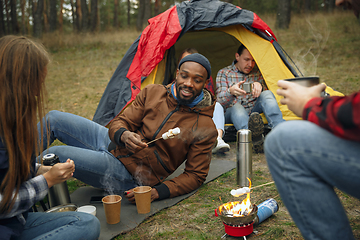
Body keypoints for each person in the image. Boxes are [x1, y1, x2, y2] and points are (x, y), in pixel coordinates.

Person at [38, 53, 217, 202]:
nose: (188, 84)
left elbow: (195, 175)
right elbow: (120, 122)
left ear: (205, 83)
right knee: (53, 118)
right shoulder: (153, 92)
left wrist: (158, 192)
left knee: (56, 154)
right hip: (112, 142)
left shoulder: (205, 127)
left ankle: (22, 183)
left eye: (197, 80)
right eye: (184, 76)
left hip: (129, 172)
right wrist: (124, 136)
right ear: (177, 73)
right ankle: (13, 165)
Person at [0, 36, 100, 240]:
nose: (37, 95)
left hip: (16, 223)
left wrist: (39, 170)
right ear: (19, 83)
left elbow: (5, 172)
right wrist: (46, 181)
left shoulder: (11, 121)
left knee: (86, 224)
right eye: (35, 86)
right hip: (6, 223)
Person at [216, 44, 285, 153]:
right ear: (237, 57)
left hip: (253, 112)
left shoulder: (257, 73)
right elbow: (219, 102)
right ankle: (253, 140)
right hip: (232, 112)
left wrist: (260, 87)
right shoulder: (224, 73)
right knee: (237, 107)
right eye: (246, 60)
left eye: (253, 61)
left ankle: (282, 133)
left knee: (267, 94)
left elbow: (268, 99)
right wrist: (231, 92)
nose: (250, 64)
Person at [178, 48, 230, 154]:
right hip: (182, 114)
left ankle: (218, 140)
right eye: (185, 61)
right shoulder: (178, 79)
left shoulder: (203, 79)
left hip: (200, 111)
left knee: (217, 106)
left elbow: (209, 98)